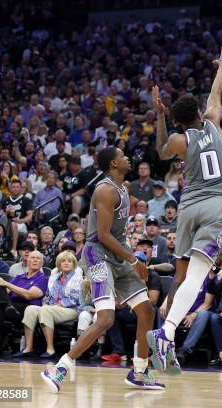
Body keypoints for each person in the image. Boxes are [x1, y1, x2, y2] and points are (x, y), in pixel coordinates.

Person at [147, 43, 222, 376]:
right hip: (216, 207)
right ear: (200, 113)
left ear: (177, 120)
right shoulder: (213, 121)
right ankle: (165, 333)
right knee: (197, 277)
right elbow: (217, 90)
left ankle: (165, 342)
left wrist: (158, 115)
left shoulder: (178, 141)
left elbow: (159, 151)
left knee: (182, 276)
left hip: (188, 206)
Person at [41, 146, 161, 392]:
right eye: (121, 155)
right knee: (106, 318)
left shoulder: (124, 188)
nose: (127, 157)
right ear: (114, 164)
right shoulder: (105, 190)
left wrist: (132, 255)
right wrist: (133, 260)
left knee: (147, 310)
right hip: (97, 254)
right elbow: (104, 235)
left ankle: (139, 371)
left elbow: (117, 234)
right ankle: (61, 367)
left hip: (118, 255)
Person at [15, 251, 83, 359]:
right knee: (30, 309)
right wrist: (46, 303)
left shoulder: (78, 278)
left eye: (69, 261)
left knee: (46, 310)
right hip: (52, 308)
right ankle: (28, 348)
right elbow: (47, 295)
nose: (66, 263)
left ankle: (50, 350)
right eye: (63, 261)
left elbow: (77, 298)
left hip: (72, 310)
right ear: (59, 264)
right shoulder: (54, 278)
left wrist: (60, 304)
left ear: (73, 264)